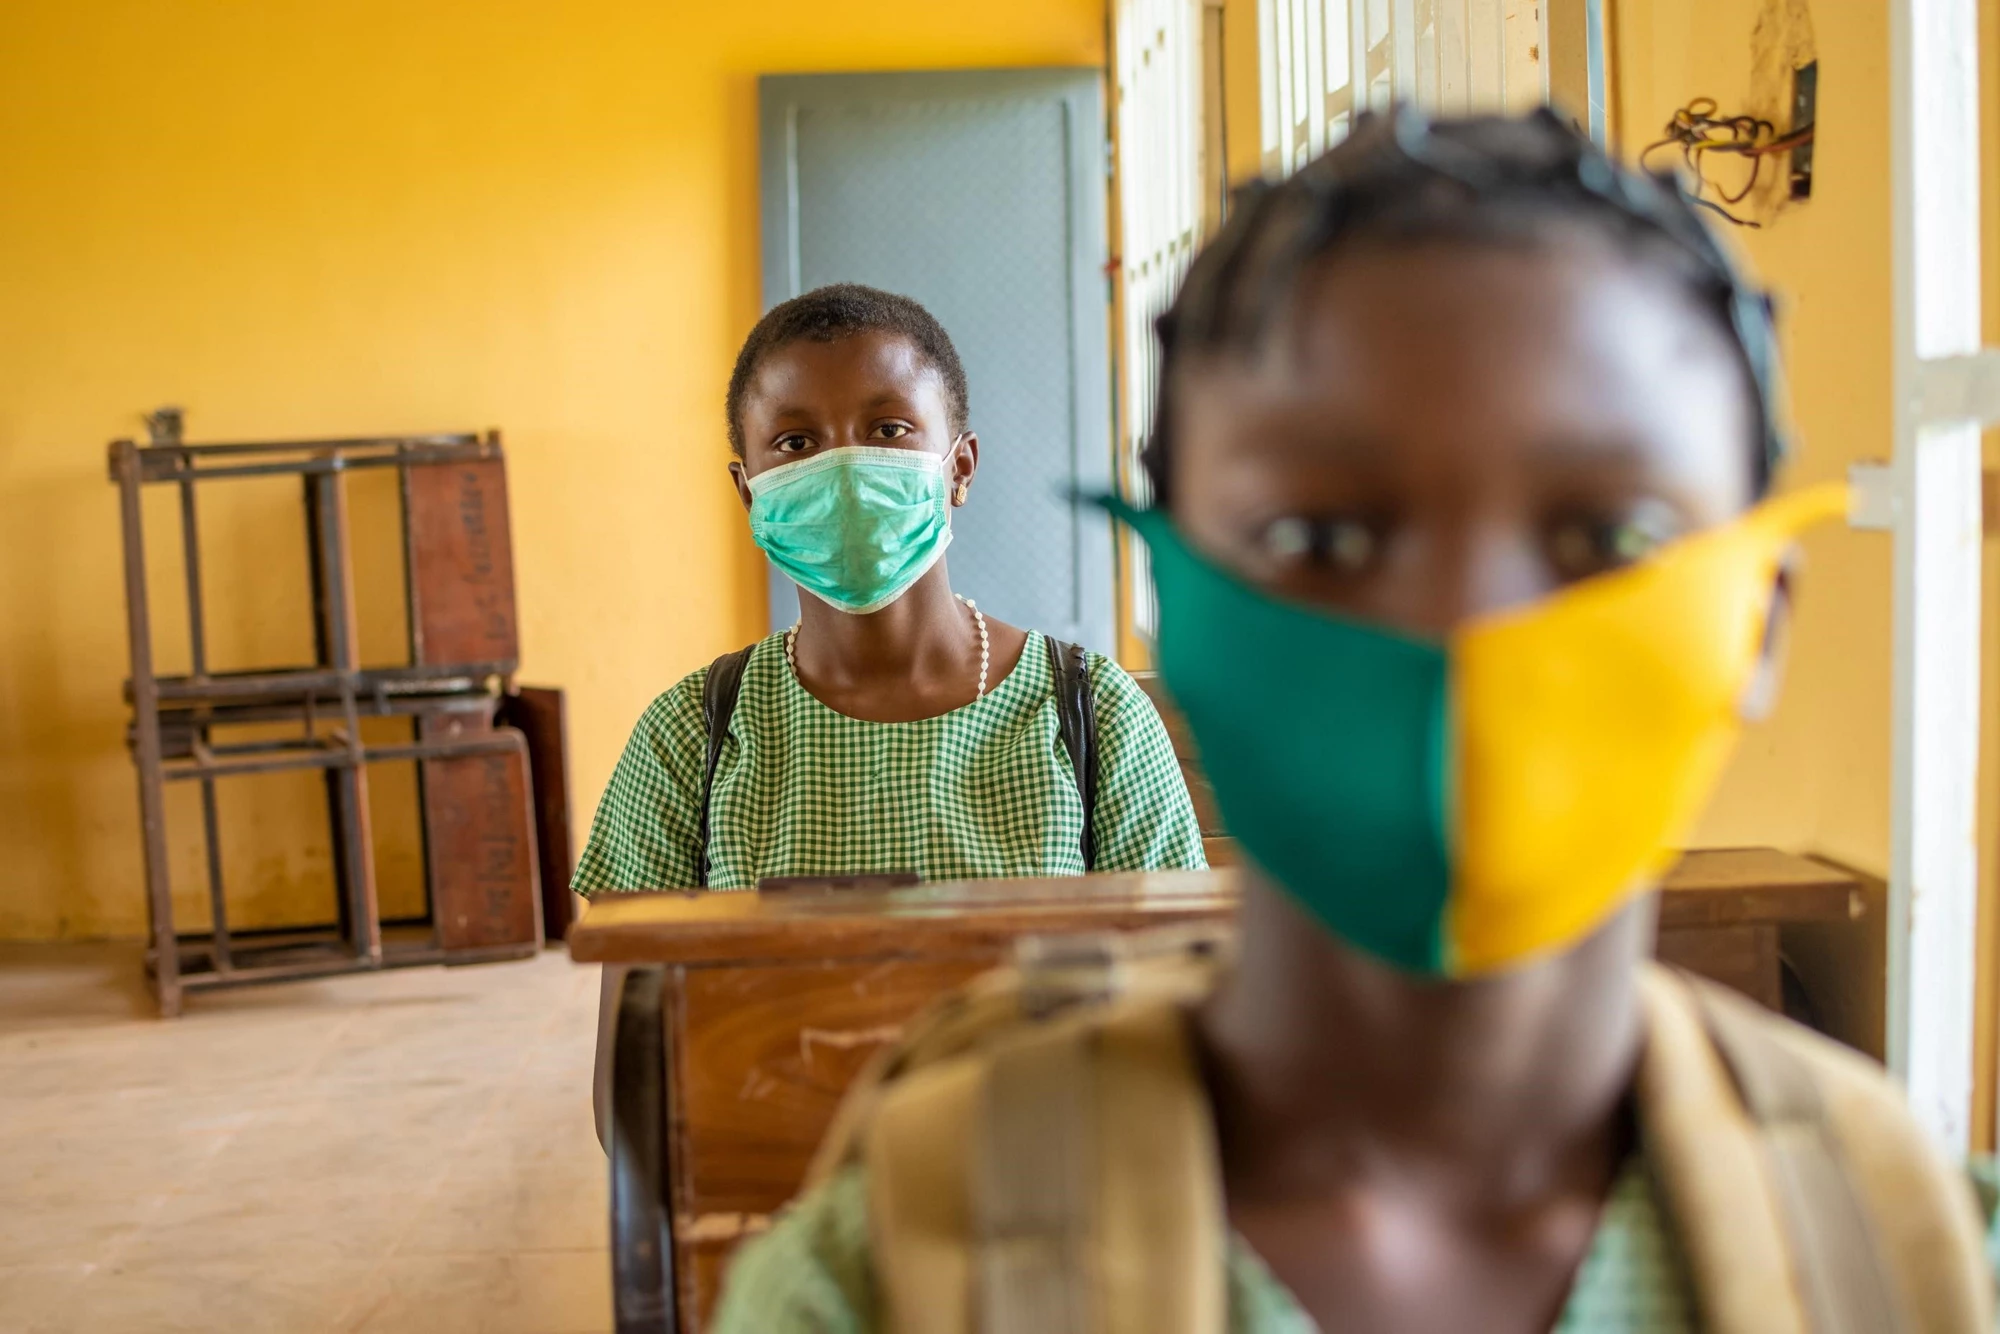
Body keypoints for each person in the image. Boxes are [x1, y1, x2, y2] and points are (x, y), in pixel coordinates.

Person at [708, 111, 1994, 1332]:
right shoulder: (888, 1280)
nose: (1459, 627)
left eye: (1605, 535)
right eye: (1321, 535)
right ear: (1176, 602)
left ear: (1759, 620)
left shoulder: (1918, 1256)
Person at [575, 285, 1206, 1135]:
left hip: (1054, 1191)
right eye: (796, 441)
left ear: (961, 467)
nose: (845, 466)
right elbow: (634, 1072)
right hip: (772, 1188)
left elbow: (1178, 1007)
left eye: (889, 429)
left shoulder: (1089, 713)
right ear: (749, 489)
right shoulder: (695, 731)